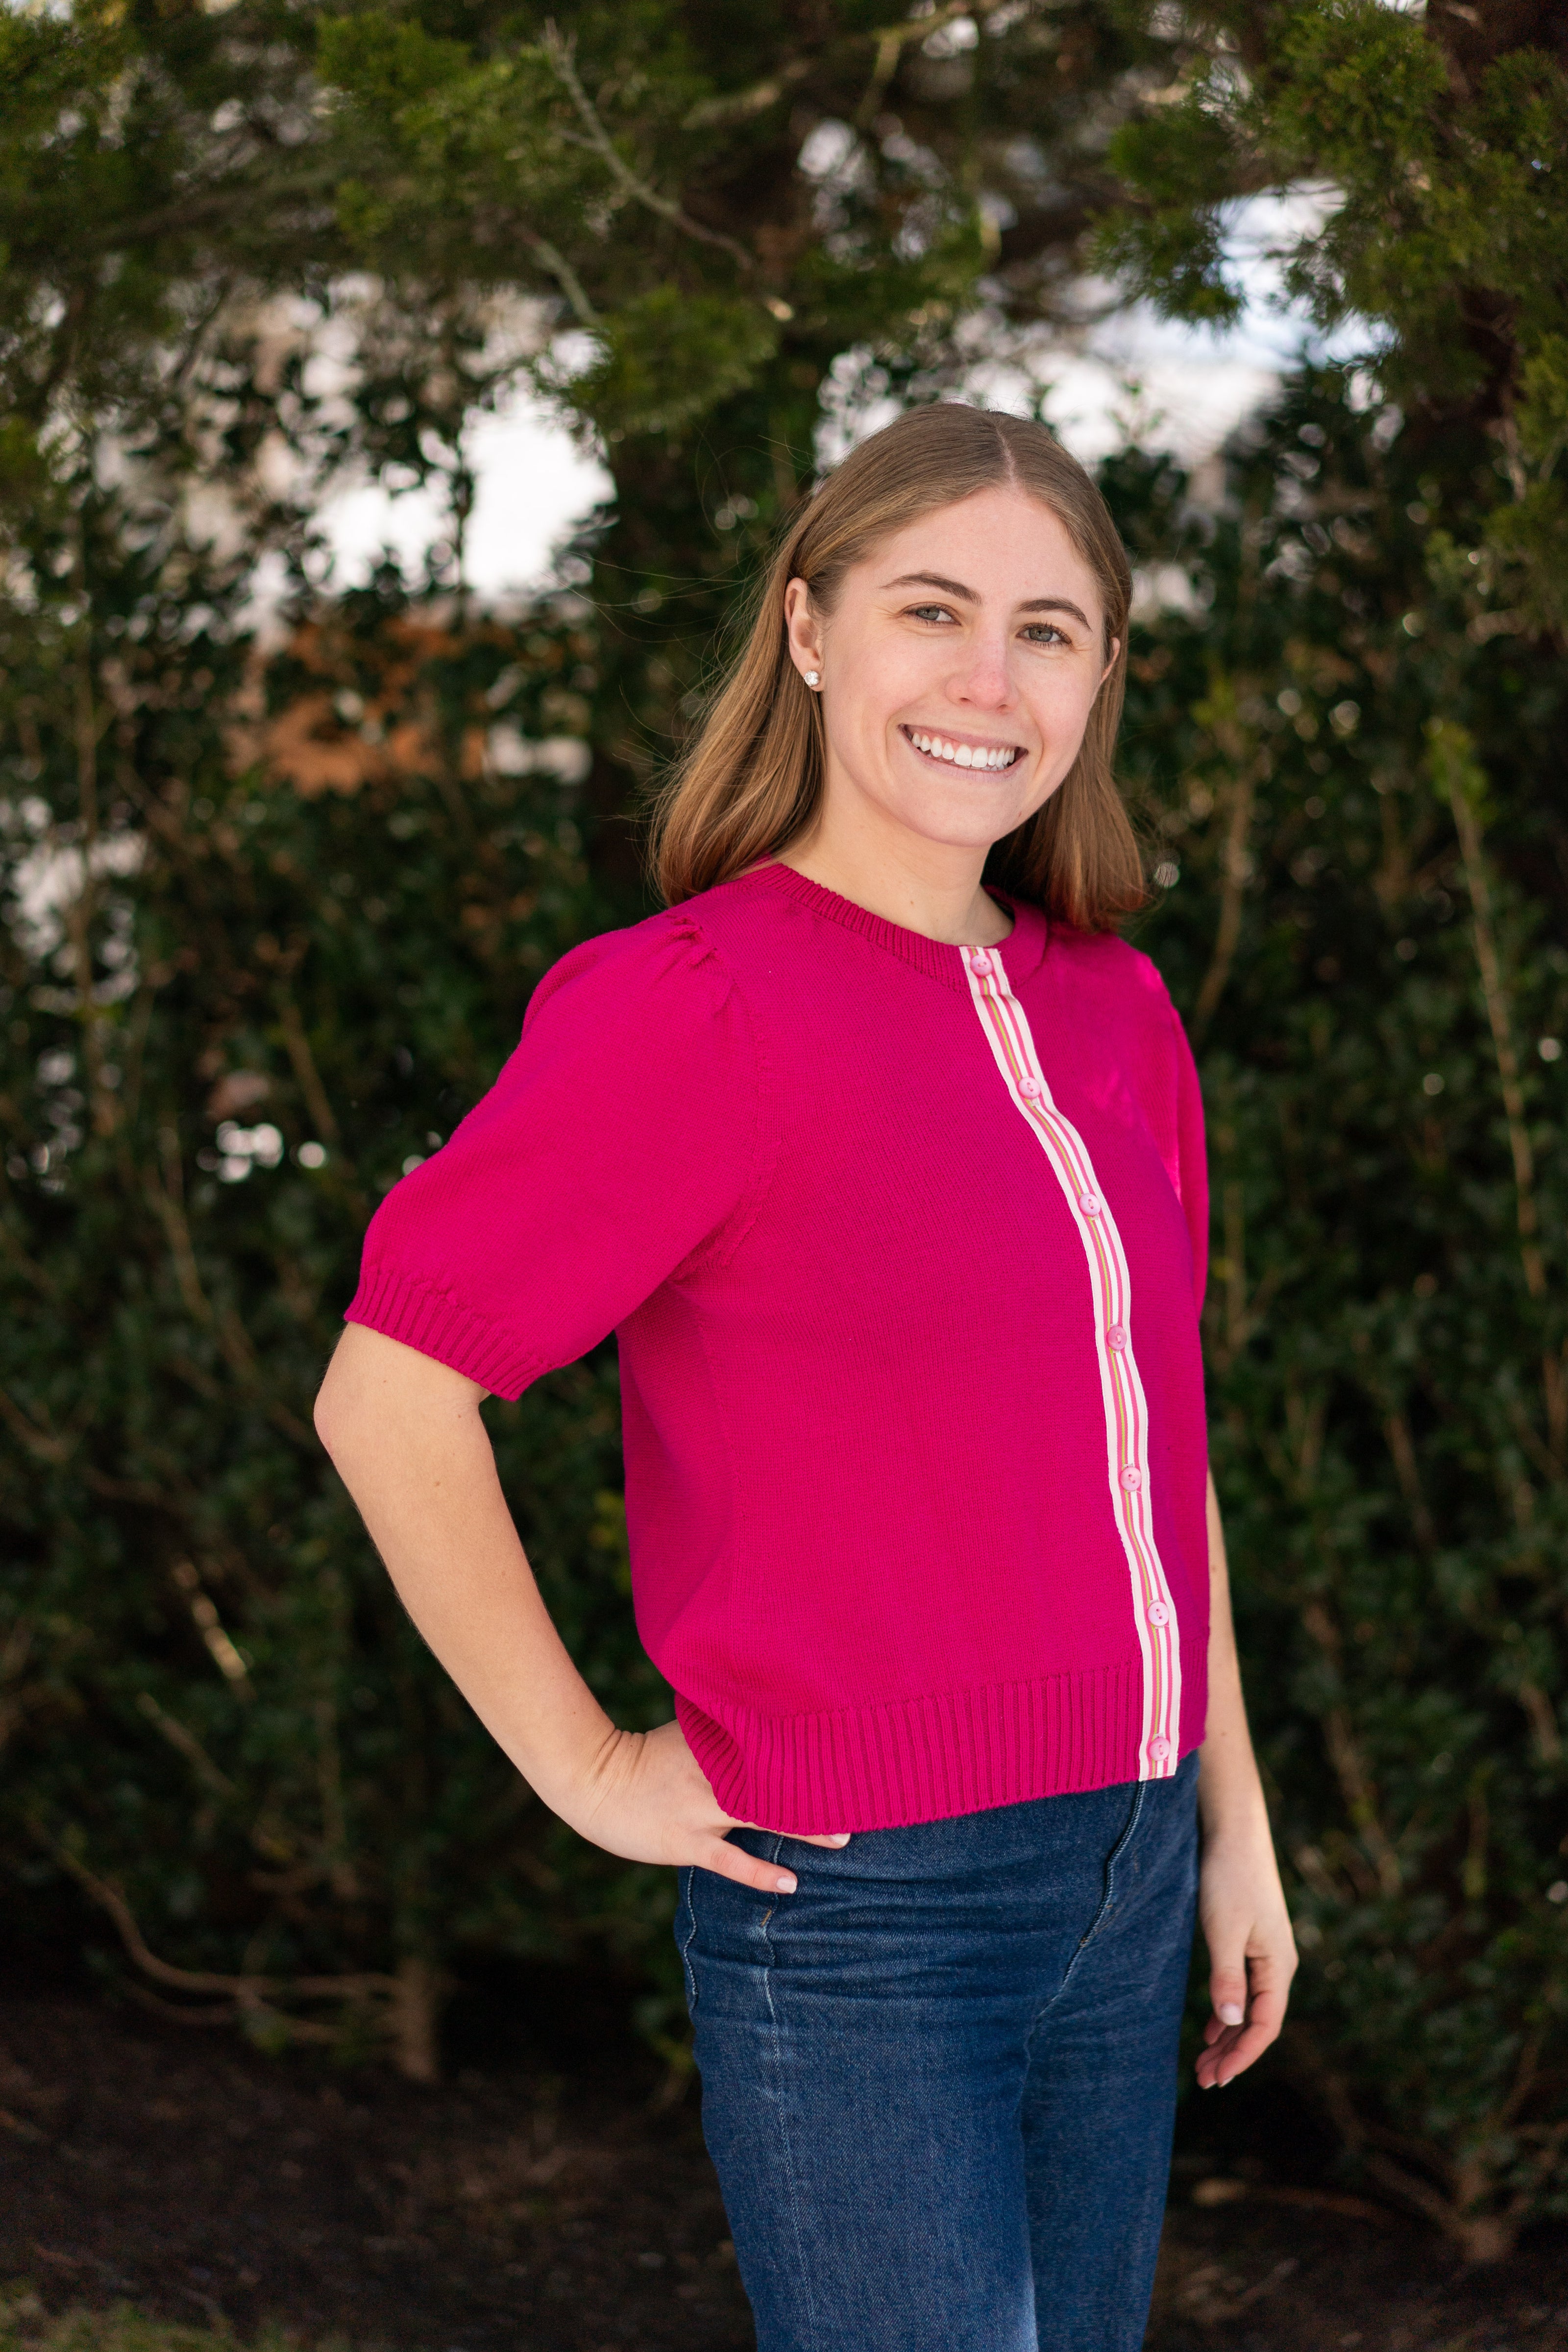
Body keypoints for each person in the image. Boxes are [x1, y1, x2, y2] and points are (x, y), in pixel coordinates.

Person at [314, 401, 1298, 2352]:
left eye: (1046, 630)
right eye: (927, 607)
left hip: (1125, 1870)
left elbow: (1147, 1441)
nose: (983, 679)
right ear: (806, 632)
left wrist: (1232, 1824)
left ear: (1100, 679)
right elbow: (388, 1392)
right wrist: (587, 1766)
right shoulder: (694, 1010)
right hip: (864, 1911)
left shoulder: (1110, 1006)